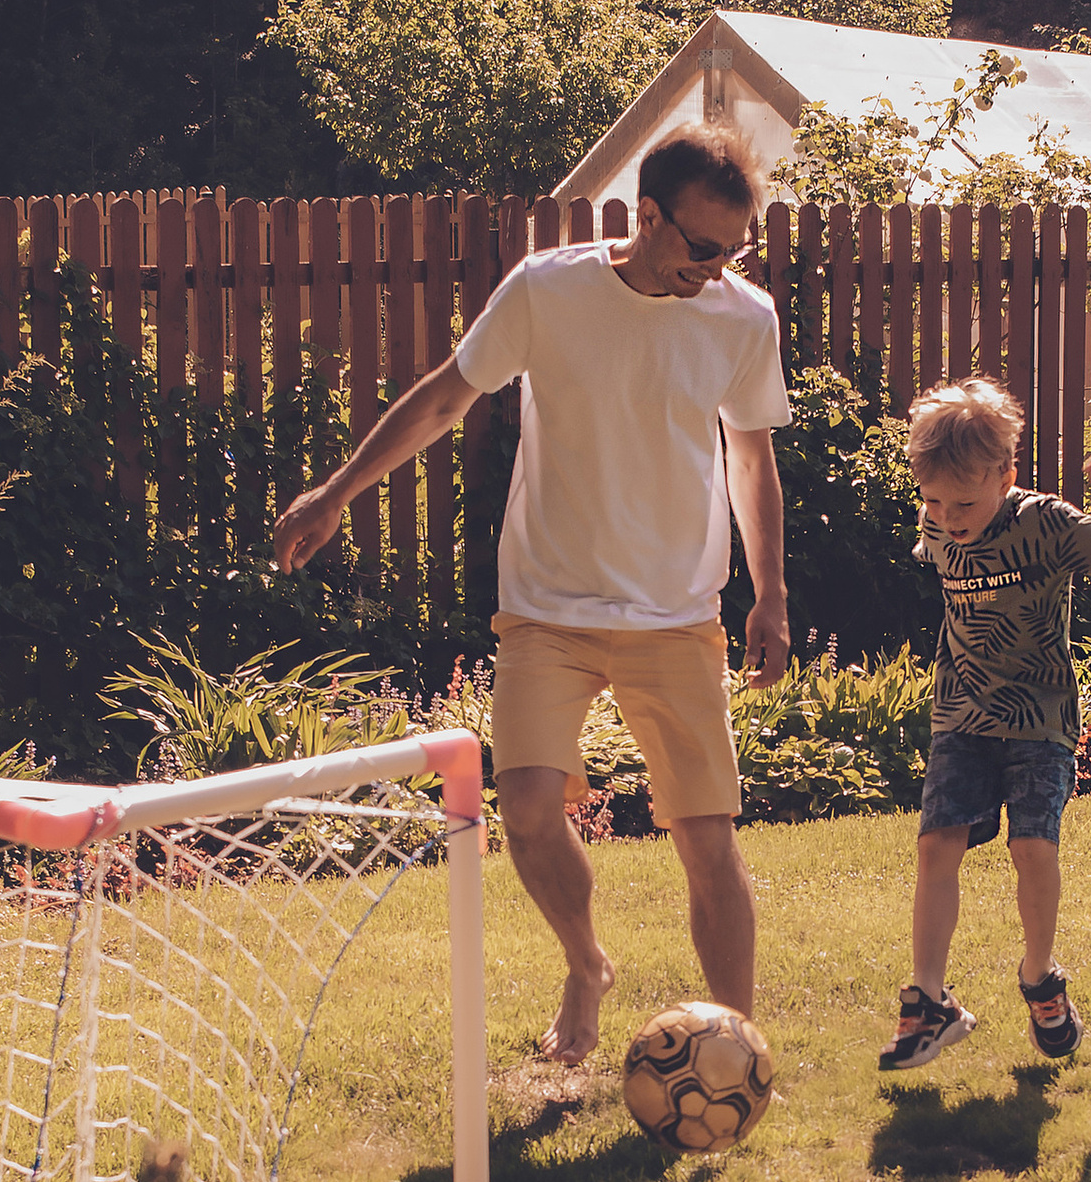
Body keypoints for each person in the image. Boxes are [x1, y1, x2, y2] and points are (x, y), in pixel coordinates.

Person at [271, 125, 792, 1063]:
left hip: (676, 615)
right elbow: (442, 397)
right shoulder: (548, 290)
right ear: (648, 217)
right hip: (548, 606)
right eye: (703, 247)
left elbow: (751, 462)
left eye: (734, 251)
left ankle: (738, 1050)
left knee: (707, 838)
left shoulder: (742, 319)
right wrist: (335, 493)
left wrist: (771, 594)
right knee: (525, 811)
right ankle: (587, 964)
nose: (716, 269)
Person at [880, 375, 1091, 1073]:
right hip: (961, 714)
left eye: (964, 501)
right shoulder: (935, 524)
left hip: (1040, 718)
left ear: (1007, 474)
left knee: (1033, 848)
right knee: (935, 845)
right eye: (933, 500)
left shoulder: (1045, 522)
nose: (947, 516)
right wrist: (941, 514)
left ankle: (1040, 978)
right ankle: (930, 999)